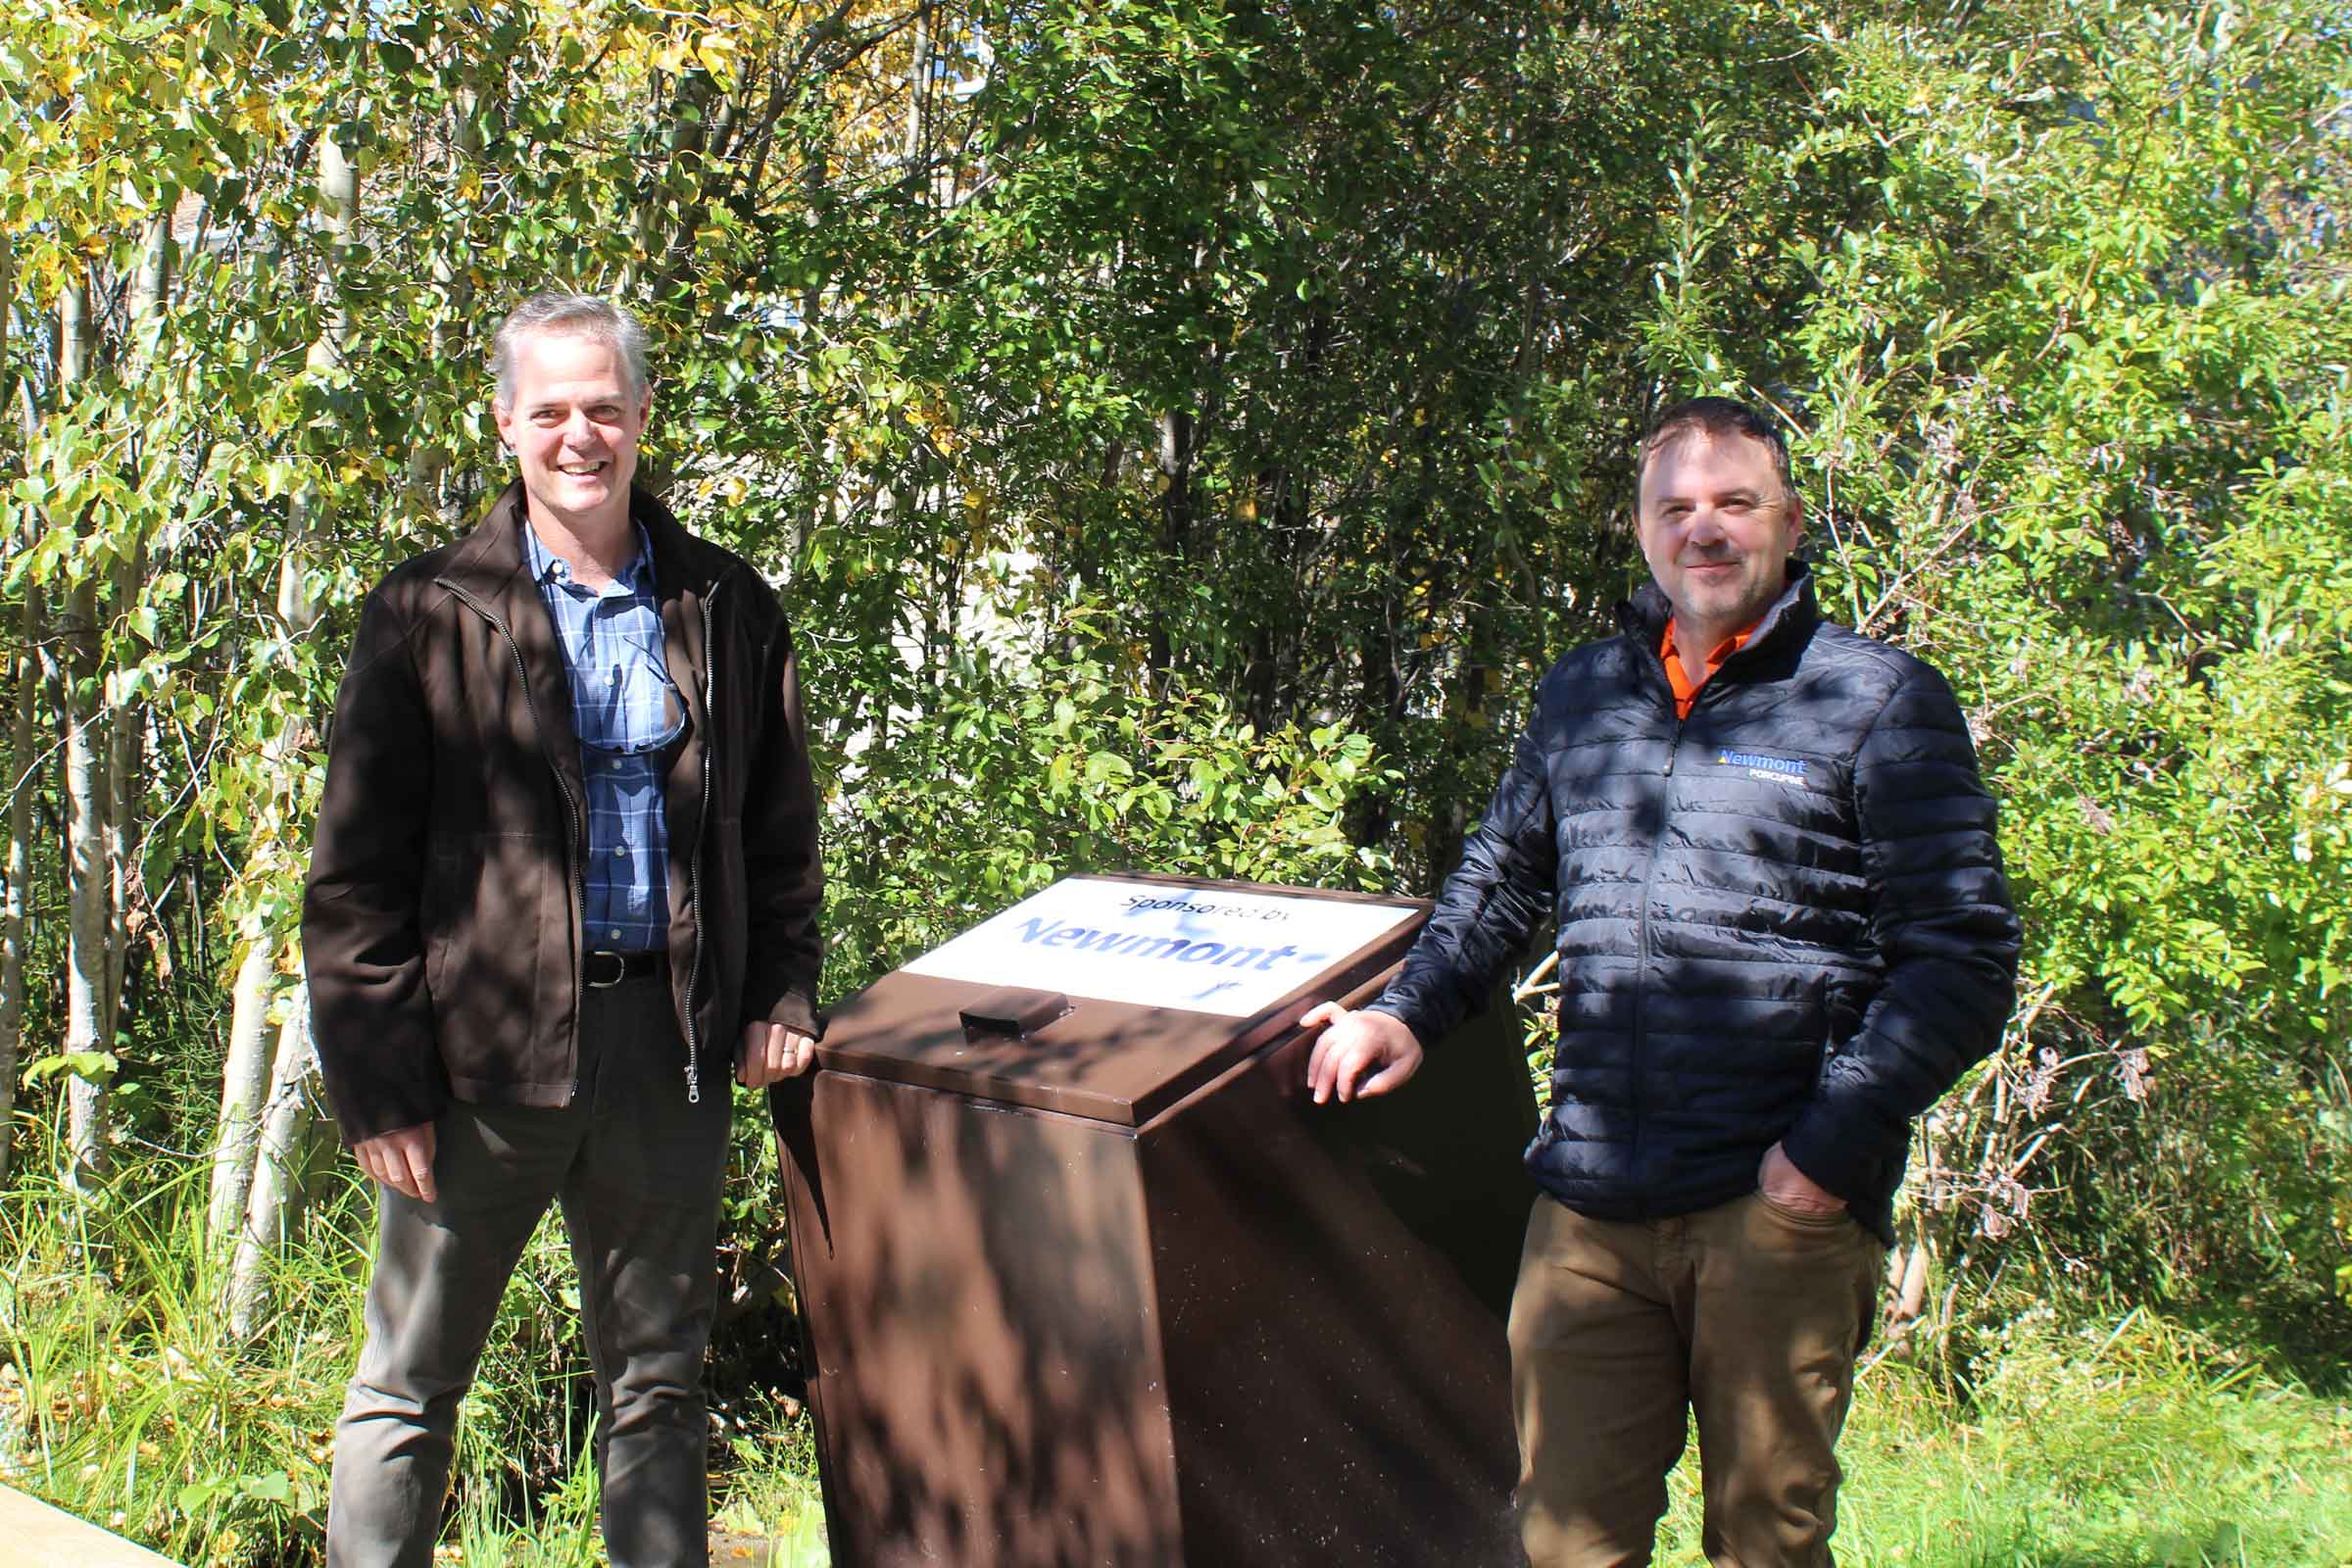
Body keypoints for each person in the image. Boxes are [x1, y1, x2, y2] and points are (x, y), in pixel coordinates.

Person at [1303, 397, 2020, 1566]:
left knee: (1765, 1545)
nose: (1706, 530)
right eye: (1675, 506)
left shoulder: (1879, 701)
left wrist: (1824, 1157)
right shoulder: (1587, 694)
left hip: (1773, 1210)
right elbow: (1497, 882)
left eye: (1736, 502)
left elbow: (1964, 956)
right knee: (1562, 1540)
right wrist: (1407, 1013)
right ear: (1640, 531)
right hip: (1589, 1203)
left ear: (1788, 523)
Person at [303, 291, 825, 1568]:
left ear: (644, 417)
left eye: (604, 406)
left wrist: (785, 993)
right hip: (482, 1066)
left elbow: (778, 838)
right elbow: (353, 881)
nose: (578, 434)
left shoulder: (727, 608)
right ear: (506, 426)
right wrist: (378, 1084)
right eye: (550, 410)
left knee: (658, 1384)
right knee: (407, 1388)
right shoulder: (428, 614)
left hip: (669, 1057)